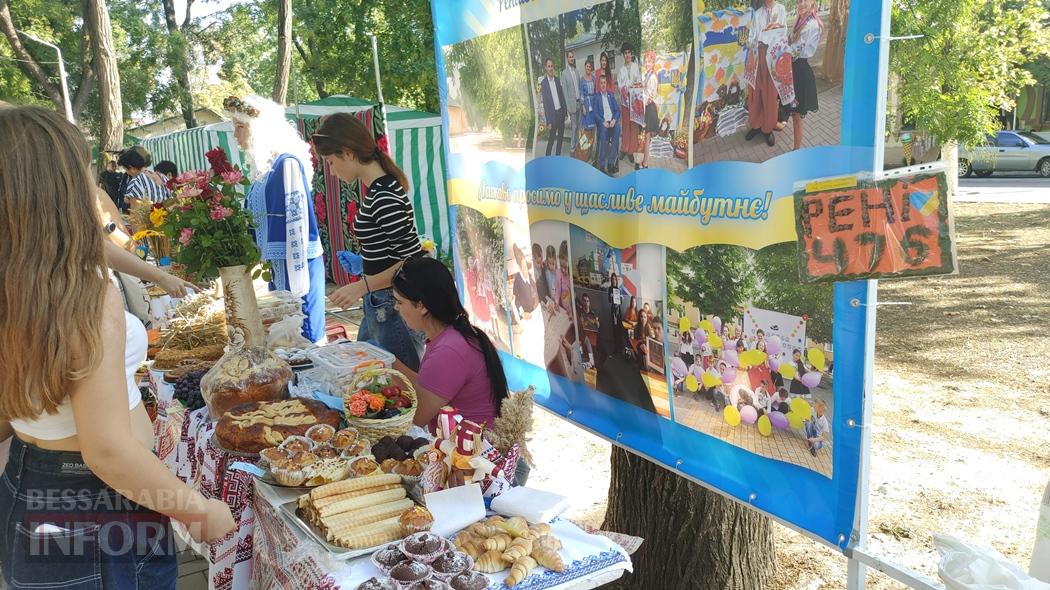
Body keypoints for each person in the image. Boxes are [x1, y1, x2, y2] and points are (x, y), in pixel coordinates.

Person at [0, 106, 235, 589]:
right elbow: (106, 451)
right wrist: (199, 510)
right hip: (98, 504)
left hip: (29, 484)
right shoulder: (83, 294)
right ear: (59, 188)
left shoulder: (20, 284)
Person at [314, 112, 427, 370]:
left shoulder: (384, 195)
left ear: (348, 153)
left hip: (393, 305)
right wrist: (365, 262)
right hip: (382, 304)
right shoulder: (378, 190)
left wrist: (361, 286)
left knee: (404, 385)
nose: (331, 171)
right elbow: (392, 252)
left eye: (331, 162)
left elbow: (412, 263)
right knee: (369, 380)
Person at [225, 95, 326, 343]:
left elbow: (296, 227)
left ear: (260, 129)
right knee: (282, 339)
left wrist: (296, 287)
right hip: (278, 268)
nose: (236, 135)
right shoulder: (266, 169)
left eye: (241, 127)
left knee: (302, 336)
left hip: (296, 266)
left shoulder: (287, 164)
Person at [744, 0, 787, 147]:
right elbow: (752, 36)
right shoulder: (757, 14)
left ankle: (768, 128)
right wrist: (749, 42)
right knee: (755, 93)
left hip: (773, 57)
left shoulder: (781, 10)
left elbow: (783, 33)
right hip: (758, 56)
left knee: (770, 95)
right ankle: (756, 125)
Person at [784, 0, 823, 150]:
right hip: (793, 69)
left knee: (798, 115)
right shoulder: (800, 20)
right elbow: (790, 43)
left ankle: (796, 149)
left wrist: (780, 50)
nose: (801, 4)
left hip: (800, 72)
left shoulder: (812, 25)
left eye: (805, 0)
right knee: (793, 112)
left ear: (812, 2)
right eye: (798, 1)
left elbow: (796, 51)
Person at [589, 74, 622, 174]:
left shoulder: (611, 95)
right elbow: (595, 113)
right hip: (603, 123)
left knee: (618, 129)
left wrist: (614, 120)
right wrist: (602, 122)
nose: (603, 85)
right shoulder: (596, 97)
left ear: (607, 84)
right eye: (601, 83)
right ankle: (602, 164)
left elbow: (617, 111)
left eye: (604, 83)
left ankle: (611, 162)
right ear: (599, 84)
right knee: (603, 134)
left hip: (611, 122)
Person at [616, 43, 643, 164]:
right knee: (625, 125)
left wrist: (634, 86)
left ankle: (632, 151)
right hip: (625, 102)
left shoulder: (636, 67)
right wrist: (625, 89)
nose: (627, 55)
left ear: (631, 54)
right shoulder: (621, 70)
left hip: (635, 102)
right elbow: (620, 85)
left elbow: (639, 81)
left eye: (629, 52)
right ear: (623, 55)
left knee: (634, 126)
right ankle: (624, 149)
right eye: (625, 53)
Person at [539, 58, 567, 156]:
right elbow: (545, 104)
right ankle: (547, 159)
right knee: (551, 139)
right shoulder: (544, 84)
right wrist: (548, 121)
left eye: (552, 66)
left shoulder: (558, 80)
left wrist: (565, 112)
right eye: (549, 66)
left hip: (560, 113)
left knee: (560, 139)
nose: (551, 68)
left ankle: (557, 159)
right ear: (545, 68)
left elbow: (562, 97)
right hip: (552, 116)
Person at [640, 51, 660, 169]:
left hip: (649, 108)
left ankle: (645, 163)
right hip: (647, 107)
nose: (647, 63)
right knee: (646, 137)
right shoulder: (647, 74)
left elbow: (650, 96)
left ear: (653, 63)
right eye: (646, 61)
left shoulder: (652, 76)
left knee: (647, 137)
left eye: (649, 62)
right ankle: (644, 161)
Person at [511, 244, 539, 319]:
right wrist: (522, 312)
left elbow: (535, 289)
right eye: (523, 268)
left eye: (526, 267)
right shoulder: (518, 278)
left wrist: (536, 298)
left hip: (535, 309)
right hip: (526, 313)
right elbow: (515, 299)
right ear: (519, 268)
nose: (526, 271)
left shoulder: (530, 275)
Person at [561, 50, 582, 151]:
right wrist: (567, 107)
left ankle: (578, 144)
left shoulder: (576, 71)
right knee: (574, 127)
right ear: (567, 58)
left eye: (572, 57)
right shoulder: (564, 73)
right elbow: (564, 92)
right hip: (572, 104)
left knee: (579, 126)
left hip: (579, 103)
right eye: (569, 57)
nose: (571, 58)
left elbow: (579, 87)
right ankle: (572, 147)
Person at [608, 273, 626, 353]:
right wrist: (611, 296)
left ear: (616, 280)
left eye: (615, 279)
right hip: (613, 311)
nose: (614, 280)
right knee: (614, 330)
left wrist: (621, 298)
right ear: (611, 280)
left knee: (620, 329)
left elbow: (621, 302)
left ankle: (620, 347)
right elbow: (609, 301)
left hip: (618, 311)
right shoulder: (609, 289)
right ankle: (615, 348)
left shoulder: (619, 289)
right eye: (612, 279)